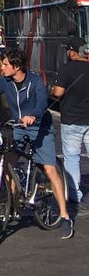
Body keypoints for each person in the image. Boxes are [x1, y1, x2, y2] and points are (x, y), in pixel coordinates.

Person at [0, 46, 72, 238]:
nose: (2, 67)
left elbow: (42, 102)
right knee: (6, 162)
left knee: (49, 169)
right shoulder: (5, 81)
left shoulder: (35, 81)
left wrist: (33, 115)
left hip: (39, 127)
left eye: (5, 64)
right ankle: (12, 203)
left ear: (16, 67)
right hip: (18, 126)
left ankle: (64, 216)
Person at [50, 39, 89, 209]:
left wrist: (52, 90)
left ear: (72, 51)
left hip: (71, 119)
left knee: (72, 158)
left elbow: (58, 92)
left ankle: (74, 193)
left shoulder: (67, 68)